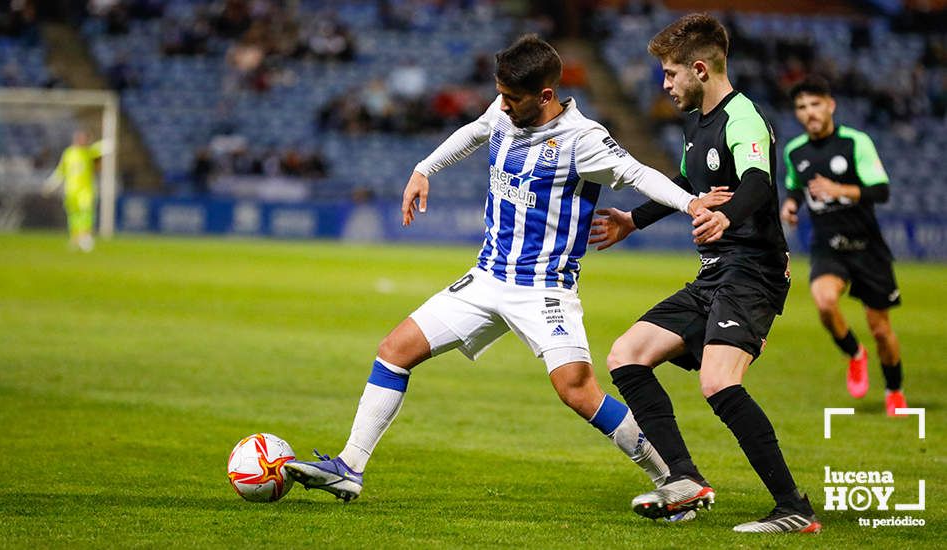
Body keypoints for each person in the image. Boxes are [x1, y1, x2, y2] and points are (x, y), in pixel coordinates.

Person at [283, 34, 728, 508]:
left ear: (545, 96)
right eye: (500, 94)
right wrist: (423, 169)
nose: (502, 105)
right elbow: (473, 132)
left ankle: (674, 479)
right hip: (486, 278)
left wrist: (691, 202)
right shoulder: (502, 111)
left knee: (577, 391)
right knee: (394, 351)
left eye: (512, 98)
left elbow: (640, 174)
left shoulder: (584, 141)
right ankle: (350, 467)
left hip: (543, 289)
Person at [589, 14, 821, 533]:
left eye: (671, 74)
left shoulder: (743, 117)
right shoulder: (698, 122)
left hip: (753, 270)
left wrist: (725, 214)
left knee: (719, 384)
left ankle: (794, 508)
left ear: (699, 68)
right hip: (716, 273)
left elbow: (759, 183)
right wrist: (633, 220)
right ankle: (686, 481)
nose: (665, 85)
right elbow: (688, 181)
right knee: (627, 355)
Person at [780, 76, 906, 416]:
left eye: (815, 104)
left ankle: (894, 389)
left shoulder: (855, 142)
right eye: (802, 108)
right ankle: (854, 353)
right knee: (824, 303)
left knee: (881, 330)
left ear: (830, 105)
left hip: (867, 247)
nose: (809, 113)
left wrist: (840, 189)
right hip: (828, 246)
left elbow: (881, 190)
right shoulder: (795, 151)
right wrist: (791, 204)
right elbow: (795, 187)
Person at [43, 130, 107, 252]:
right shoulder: (68, 154)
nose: (82, 141)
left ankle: (85, 236)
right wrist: (51, 184)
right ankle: (75, 238)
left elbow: (101, 148)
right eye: (80, 138)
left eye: (84, 138)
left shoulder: (89, 152)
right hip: (71, 190)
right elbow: (61, 170)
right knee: (73, 215)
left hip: (86, 190)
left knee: (86, 212)